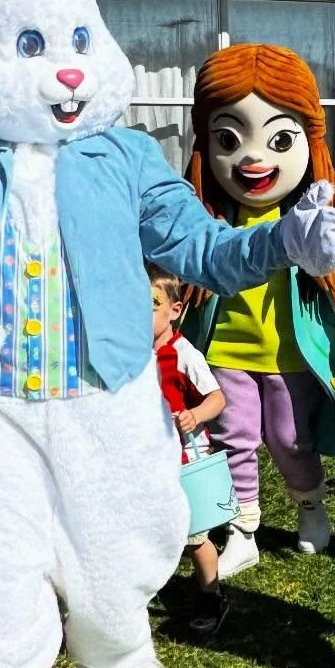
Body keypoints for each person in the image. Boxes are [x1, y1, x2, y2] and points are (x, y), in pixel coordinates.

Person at [150, 268, 229, 641]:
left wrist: (194, 415)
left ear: (175, 310)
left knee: (194, 536)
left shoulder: (183, 354)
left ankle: (210, 594)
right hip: (144, 461)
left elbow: (217, 397)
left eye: (151, 306)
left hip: (184, 461)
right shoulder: (128, 353)